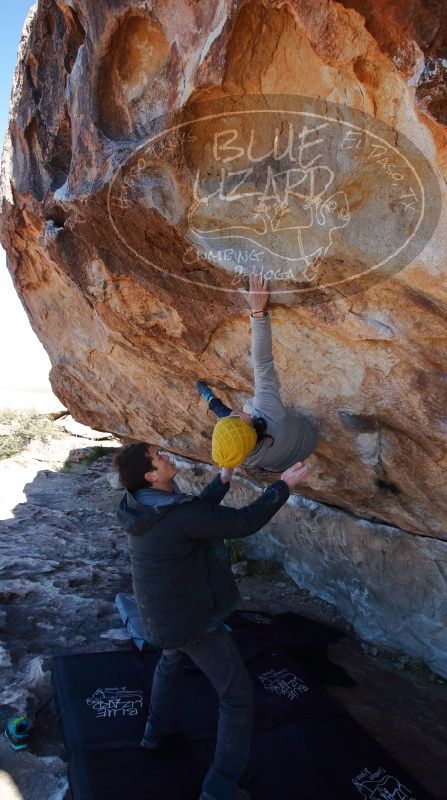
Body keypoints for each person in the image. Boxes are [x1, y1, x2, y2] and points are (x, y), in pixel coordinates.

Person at [114, 442, 309, 800]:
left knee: (170, 663)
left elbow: (193, 515)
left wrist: (223, 479)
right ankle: (218, 790)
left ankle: (153, 734)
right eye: (160, 457)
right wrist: (282, 486)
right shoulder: (173, 513)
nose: (167, 456)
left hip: (160, 616)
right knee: (236, 698)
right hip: (191, 621)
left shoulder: (139, 504)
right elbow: (244, 522)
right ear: (151, 476)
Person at [197, 273, 319, 473]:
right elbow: (262, 362)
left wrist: (209, 397)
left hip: (281, 462)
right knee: (249, 405)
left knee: (239, 413)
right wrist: (257, 310)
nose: (234, 413)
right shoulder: (268, 411)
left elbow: (228, 418)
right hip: (307, 436)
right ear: (250, 429)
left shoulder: (241, 456)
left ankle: (209, 398)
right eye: (235, 418)